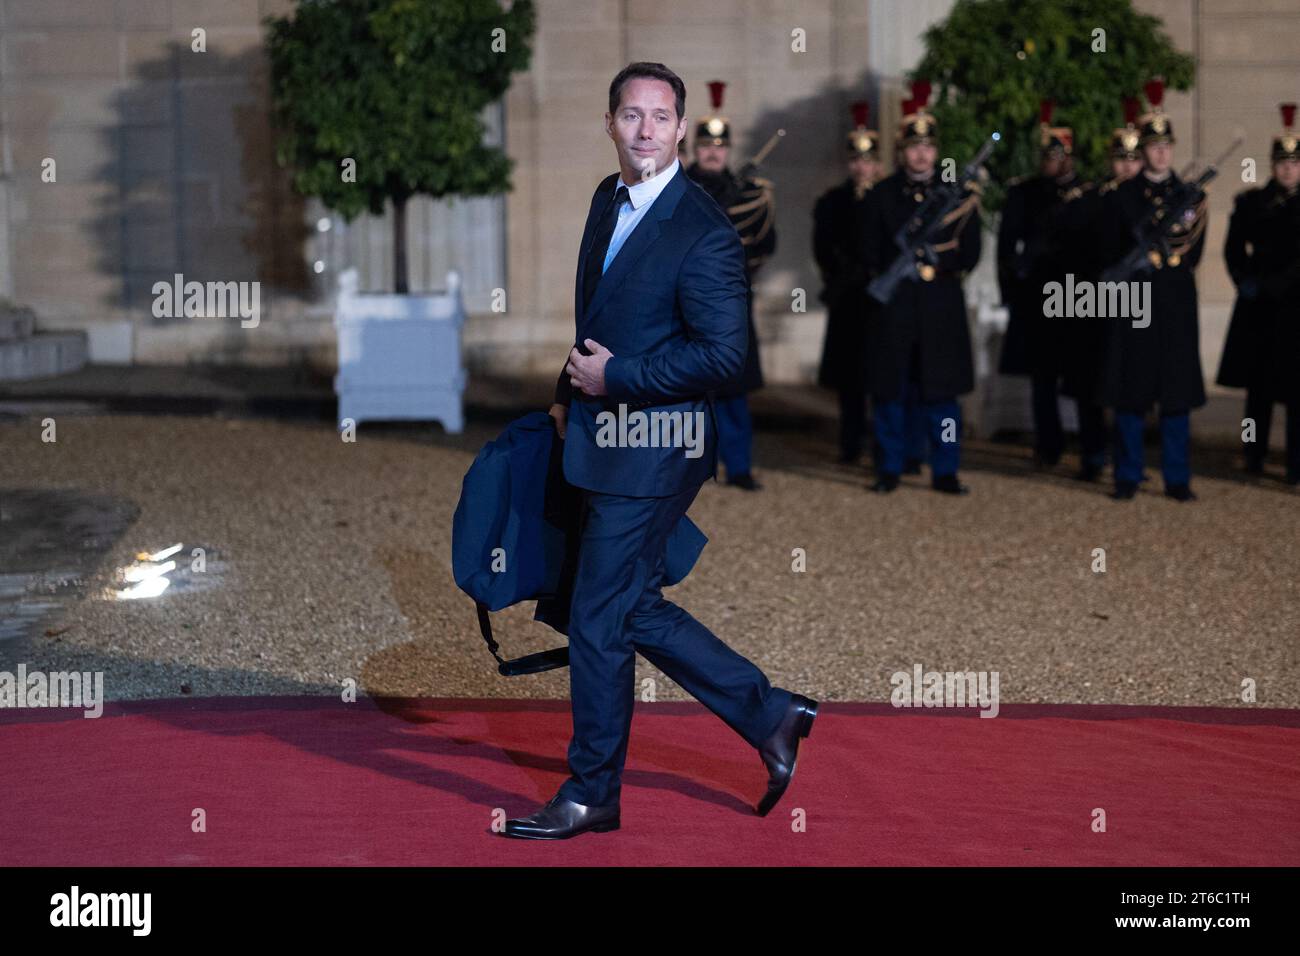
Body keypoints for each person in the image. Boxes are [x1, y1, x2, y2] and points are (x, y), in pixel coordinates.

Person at [505, 62, 817, 840]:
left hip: (658, 446)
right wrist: (564, 388)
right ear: (609, 124)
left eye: (660, 117)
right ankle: (771, 713)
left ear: (681, 129)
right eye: (631, 115)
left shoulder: (705, 230)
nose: (645, 130)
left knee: (598, 618)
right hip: (604, 435)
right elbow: (598, 318)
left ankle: (592, 793)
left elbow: (724, 356)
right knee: (626, 603)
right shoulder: (605, 200)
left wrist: (617, 378)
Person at [861, 82, 982, 495]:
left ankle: (945, 469)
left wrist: (937, 260)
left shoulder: (957, 197)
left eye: (928, 146)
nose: (921, 154)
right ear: (902, 150)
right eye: (914, 146)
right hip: (895, 304)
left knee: (942, 396)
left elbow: (971, 251)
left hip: (939, 303)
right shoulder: (881, 195)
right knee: (890, 392)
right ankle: (889, 467)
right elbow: (868, 250)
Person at [1095, 79, 1208, 502]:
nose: (1160, 153)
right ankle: (1127, 474)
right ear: (1141, 149)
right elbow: (1107, 248)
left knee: (1175, 396)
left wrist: (1163, 255)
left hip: (1174, 302)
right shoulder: (1121, 196)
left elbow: (1192, 252)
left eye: (1166, 146)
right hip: (1133, 303)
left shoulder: (1190, 195)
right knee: (1131, 393)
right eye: (1153, 146)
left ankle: (1177, 478)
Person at [998, 100, 1107, 480]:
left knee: (1085, 379)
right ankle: (1048, 447)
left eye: (1056, 156)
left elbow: (1099, 249)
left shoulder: (1091, 196)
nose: (1050, 163)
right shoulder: (1024, 194)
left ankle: (1094, 452)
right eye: (1045, 156)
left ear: (1069, 156)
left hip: (1079, 298)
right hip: (1038, 300)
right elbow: (1006, 247)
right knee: (1042, 379)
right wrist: (1011, 291)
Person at [686, 81, 777, 490]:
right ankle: (689, 467)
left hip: (732, 302)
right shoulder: (676, 188)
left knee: (735, 390)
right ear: (695, 147)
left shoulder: (752, 194)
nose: (712, 152)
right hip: (684, 303)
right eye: (706, 145)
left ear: (728, 150)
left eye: (719, 147)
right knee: (687, 389)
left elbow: (765, 244)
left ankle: (738, 466)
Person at [1215, 102, 1300, 485]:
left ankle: (1296, 463)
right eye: (1282, 162)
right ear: (1272, 164)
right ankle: (1253, 453)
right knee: (1258, 392)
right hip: (1260, 310)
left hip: (1296, 308)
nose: (1288, 169)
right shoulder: (1252, 203)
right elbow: (1234, 248)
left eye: (1295, 162)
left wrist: (1284, 282)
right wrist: (1243, 279)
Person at [814, 101, 882, 465]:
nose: (862, 166)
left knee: (883, 375)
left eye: (868, 159)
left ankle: (887, 447)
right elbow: (822, 246)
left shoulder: (886, 197)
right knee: (849, 378)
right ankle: (850, 442)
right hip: (847, 296)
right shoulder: (832, 201)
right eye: (856, 159)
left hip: (880, 299)